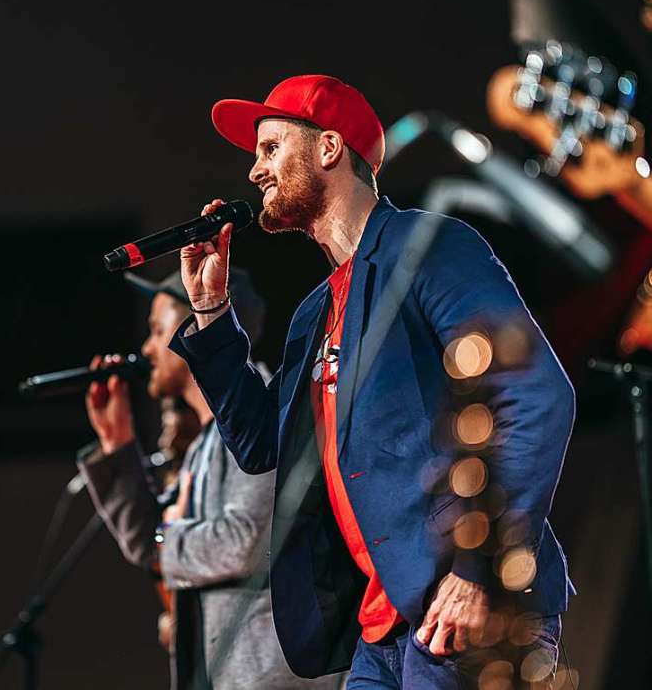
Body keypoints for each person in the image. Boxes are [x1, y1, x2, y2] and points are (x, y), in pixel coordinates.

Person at [168, 74, 575, 689]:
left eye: (270, 148)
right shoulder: (314, 313)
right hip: (380, 631)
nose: (254, 172)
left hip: (463, 608)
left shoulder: (428, 247)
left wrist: (478, 568)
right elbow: (262, 445)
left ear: (328, 148)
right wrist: (210, 312)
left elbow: (537, 396)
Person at [77, 268, 346, 690]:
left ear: (191, 328)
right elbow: (147, 541)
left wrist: (166, 542)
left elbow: (243, 543)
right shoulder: (202, 443)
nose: (147, 348)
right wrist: (118, 445)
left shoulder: (259, 415)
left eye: (156, 329)